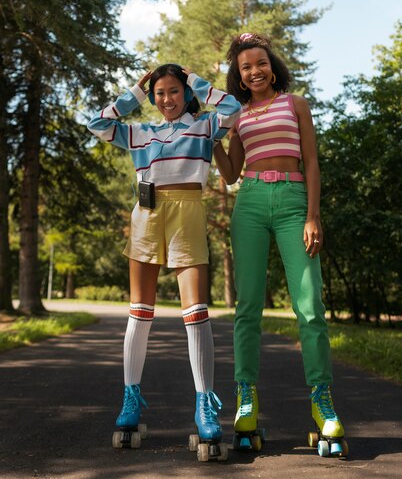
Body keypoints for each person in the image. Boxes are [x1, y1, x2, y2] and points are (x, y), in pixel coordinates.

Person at [87, 63, 241, 446]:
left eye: (174, 91)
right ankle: (130, 400)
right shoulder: (140, 132)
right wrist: (135, 93)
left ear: (185, 93)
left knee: (196, 310)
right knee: (139, 311)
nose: (166, 100)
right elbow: (97, 125)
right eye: (159, 93)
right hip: (147, 214)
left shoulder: (205, 126)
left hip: (187, 210)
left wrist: (196, 82)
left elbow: (233, 109)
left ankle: (204, 404)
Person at [214, 33, 346, 456]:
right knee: (247, 307)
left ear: (272, 66)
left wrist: (313, 215)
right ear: (239, 75)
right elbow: (232, 173)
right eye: (245, 67)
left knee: (310, 306)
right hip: (250, 203)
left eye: (260, 64)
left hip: (293, 203)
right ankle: (246, 397)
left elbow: (310, 161)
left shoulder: (296, 104)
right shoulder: (237, 115)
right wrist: (213, 139)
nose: (254, 72)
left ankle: (321, 399)